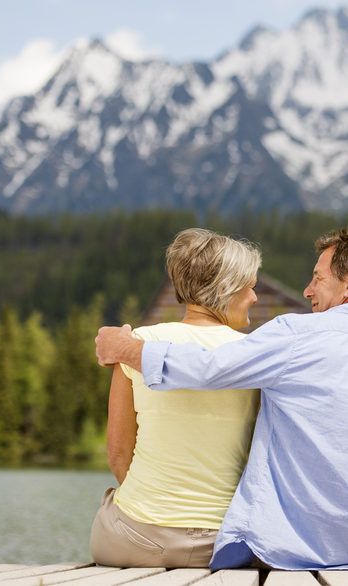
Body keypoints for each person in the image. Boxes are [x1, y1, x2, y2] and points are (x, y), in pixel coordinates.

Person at [95, 229, 348, 570]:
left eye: (318, 278)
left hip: (288, 558)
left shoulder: (296, 335)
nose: (306, 290)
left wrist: (126, 348)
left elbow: (208, 366)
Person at [89, 228, 262, 568]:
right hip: (224, 545)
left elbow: (118, 454)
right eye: (249, 286)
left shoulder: (138, 344)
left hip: (133, 542)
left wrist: (160, 514)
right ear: (226, 288)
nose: (255, 297)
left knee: (113, 504)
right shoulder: (254, 356)